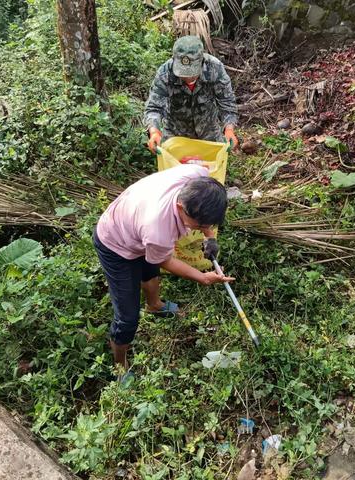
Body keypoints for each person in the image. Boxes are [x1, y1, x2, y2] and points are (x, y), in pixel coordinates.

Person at [93, 164, 234, 373]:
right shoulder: (158, 230)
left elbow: (200, 172)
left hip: (135, 223)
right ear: (180, 208)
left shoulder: (197, 175)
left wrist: (210, 237)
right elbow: (164, 260)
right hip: (115, 243)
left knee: (150, 273)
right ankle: (120, 366)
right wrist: (203, 278)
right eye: (198, 225)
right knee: (127, 318)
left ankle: (154, 305)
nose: (201, 229)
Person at [144, 35, 239, 154]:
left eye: (192, 72)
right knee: (175, 170)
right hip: (176, 134)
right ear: (174, 61)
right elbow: (154, 108)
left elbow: (227, 103)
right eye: (183, 73)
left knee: (211, 168)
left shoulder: (215, 68)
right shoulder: (165, 74)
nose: (187, 77)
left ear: (201, 61)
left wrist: (229, 130)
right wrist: (154, 132)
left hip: (208, 132)